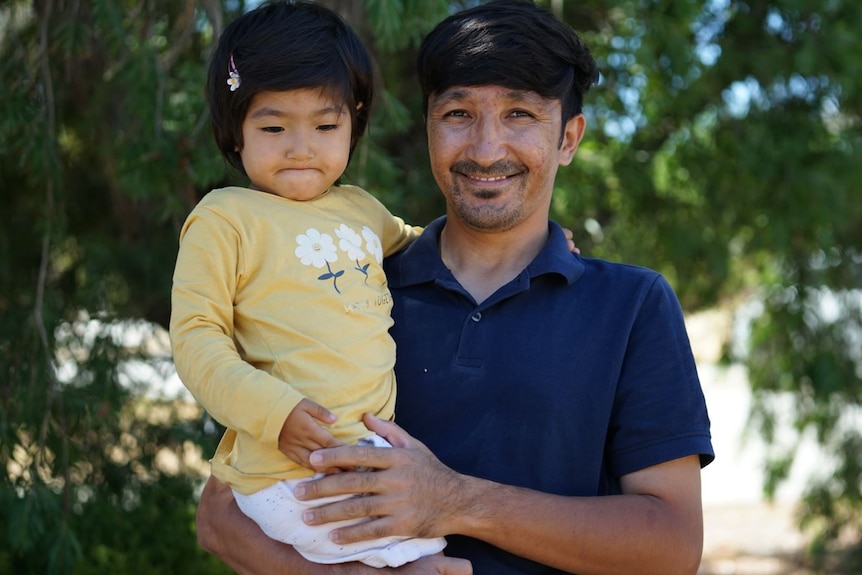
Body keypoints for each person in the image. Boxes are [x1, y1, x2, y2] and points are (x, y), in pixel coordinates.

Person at [194, 1, 715, 574]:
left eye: (519, 114)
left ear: (569, 138)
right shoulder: (341, 285)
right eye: (459, 114)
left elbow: (671, 547)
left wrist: (456, 502)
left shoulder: (631, 306)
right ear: (428, 129)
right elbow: (221, 515)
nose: (486, 149)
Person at [169, 0, 448, 568]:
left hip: (368, 455)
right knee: (421, 561)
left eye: (325, 125)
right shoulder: (226, 218)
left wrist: (528, 240)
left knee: (430, 547)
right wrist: (275, 413)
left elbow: (424, 246)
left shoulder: (360, 209)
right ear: (235, 129)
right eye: (273, 126)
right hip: (290, 465)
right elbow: (196, 338)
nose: (301, 146)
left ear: (354, 121)